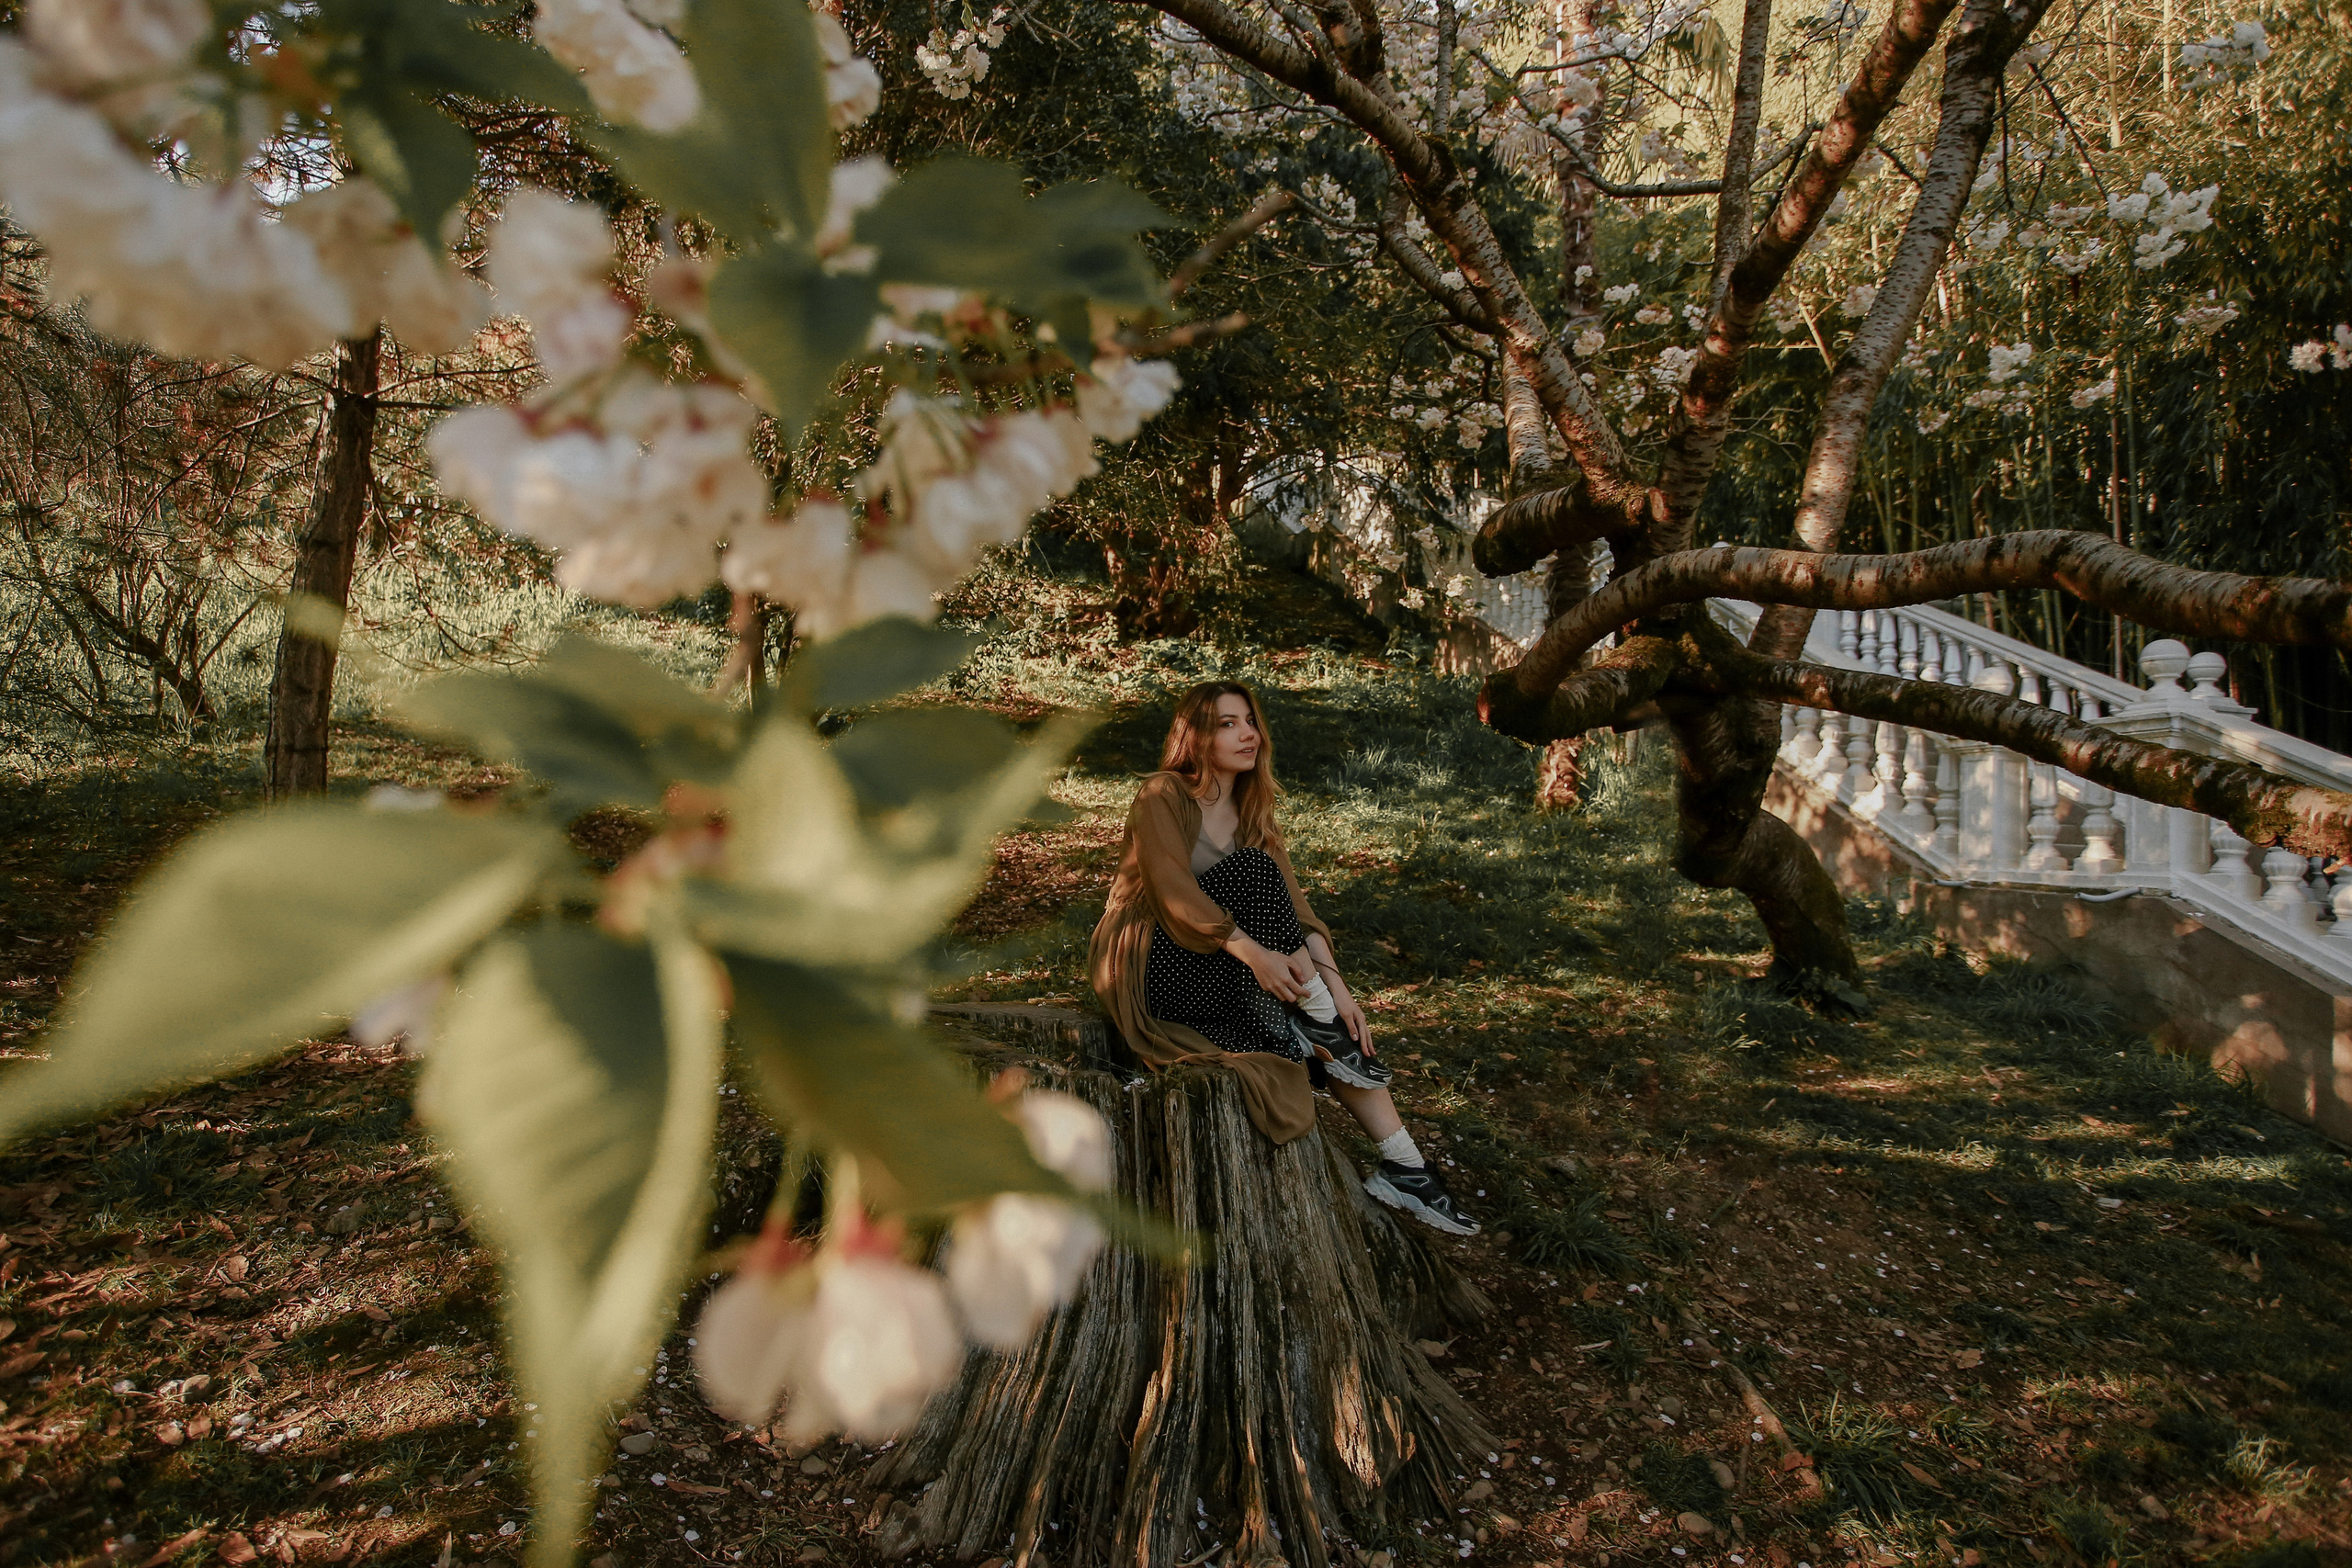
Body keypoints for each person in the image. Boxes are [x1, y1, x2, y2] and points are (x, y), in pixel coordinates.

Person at [1088, 681, 1479, 1235]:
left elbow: (1295, 910)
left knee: (1324, 1030)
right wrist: (1254, 954)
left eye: (1249, 720)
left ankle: (1406, 1166)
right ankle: (1320, 1025)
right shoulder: (1163, 794)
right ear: (1195, 736)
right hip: (1148, 964)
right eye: (1227, 723)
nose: (1247, 732)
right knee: (1255, 879)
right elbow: (1172, 890)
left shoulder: (1251, 811)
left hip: (1219, 971)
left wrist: (1337, 986)